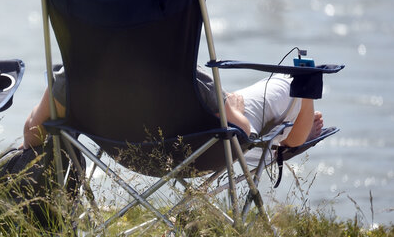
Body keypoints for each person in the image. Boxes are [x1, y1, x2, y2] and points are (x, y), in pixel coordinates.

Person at [21, 65, 324, 150]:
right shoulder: (193, 82)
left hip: (121, 152)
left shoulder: (69, 81)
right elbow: (247, 135)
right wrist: (233, 110)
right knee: (288, 86)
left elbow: (31, 130)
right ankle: (299, 123)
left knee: (259, 108)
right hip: (199, 151)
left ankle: (295, 126)